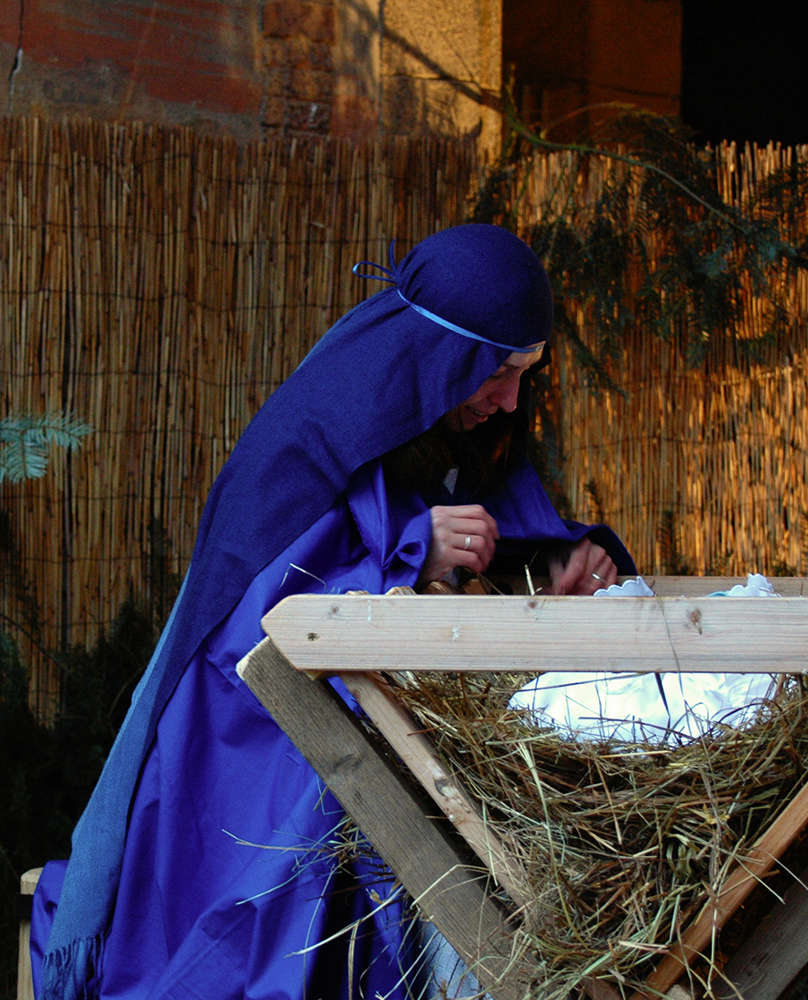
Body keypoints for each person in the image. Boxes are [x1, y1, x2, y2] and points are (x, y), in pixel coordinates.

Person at [35, 224, 636, 1000]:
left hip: (396, 721)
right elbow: (258, 621)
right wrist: (412, 550)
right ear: (440, 359)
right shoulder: (306, 439)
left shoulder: (456, 427)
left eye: (527, 373)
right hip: (254, 736)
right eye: (496, 372)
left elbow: (498, 530)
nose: (511, 399)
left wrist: (558, 559)